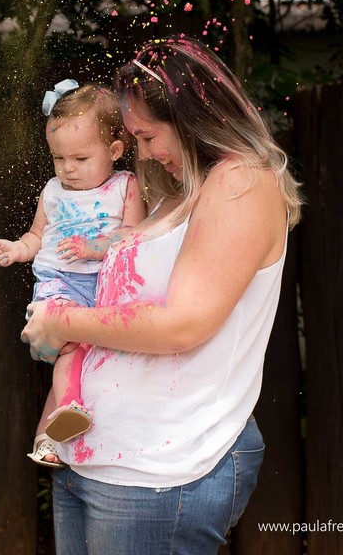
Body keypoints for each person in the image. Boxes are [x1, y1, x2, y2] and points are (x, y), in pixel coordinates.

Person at [20, 35, 302, 555]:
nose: (143, 153)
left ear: (193, 116)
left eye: (148, 137)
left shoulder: (241, 181)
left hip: (162, 471)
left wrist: (61, 322)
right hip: (94, 457)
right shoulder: (177, 196)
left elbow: (181, 324)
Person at [0, 80, 145, 467]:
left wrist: (94, 248)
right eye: (58, 159)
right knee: (70, 345)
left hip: (104, 285)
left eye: (80, 159)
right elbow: (38, 234)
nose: (67, 169)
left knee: (97, 349)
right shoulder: (53, 190)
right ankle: (68, 407)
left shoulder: (125, 186)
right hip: (60, 281)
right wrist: (18, 249)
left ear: (115, 150)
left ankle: (52, 435)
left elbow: (132, 234)